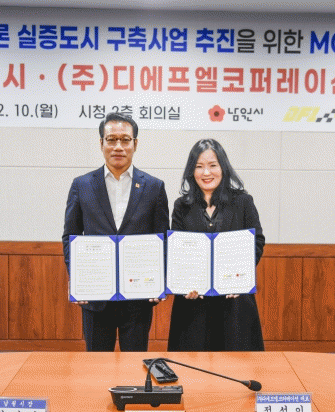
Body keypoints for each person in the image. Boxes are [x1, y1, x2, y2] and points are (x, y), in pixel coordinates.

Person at [62, 112, 169, 351]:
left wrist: (160, 282)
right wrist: (77, 279)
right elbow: (70, 237)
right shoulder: (82, 185)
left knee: (135, 362)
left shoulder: (154, 187)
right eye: (111, 140)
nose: (118, 146)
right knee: (98, 364)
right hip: (95, 297)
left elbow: (163, 239)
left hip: (139, 297)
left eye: (125, 140)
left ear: (135, 144)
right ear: (101, 143)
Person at [167, 138, 265, 351]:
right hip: (194, 306)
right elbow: (177, 251)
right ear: (191, 171)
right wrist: (185, 284)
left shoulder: (243, 202)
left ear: (223, 167)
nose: (206, 173)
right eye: (199, 166)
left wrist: (241, 277)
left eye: (212, 165)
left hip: (234, 303)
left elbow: (257, 241)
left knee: (237, 364)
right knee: (192, 366)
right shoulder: (182, 206)